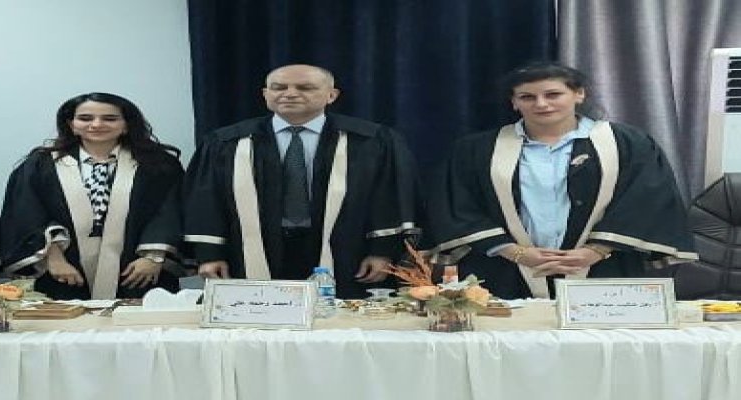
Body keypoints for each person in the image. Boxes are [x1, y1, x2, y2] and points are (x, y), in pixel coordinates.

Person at [427, 62, 698, 299]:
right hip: (504, 271)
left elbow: (646, 201)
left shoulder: (627, 144)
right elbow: (458, 205)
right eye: (527, 97)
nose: (541, 104)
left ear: (579, 94)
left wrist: (595, 251)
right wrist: (516, 253)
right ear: (514, 102)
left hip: (605, 268)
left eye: (553, 94)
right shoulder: (477, 150)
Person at [184, 64, 419, 299]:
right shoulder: (227, 142)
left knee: (339, 315)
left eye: (305, 87)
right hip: (252, 249)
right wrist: (209, 254)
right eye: (279, 87)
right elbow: (206, 200)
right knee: (259, 315)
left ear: (331, 95)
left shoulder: (370, 141)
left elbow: (387, 198)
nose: (290, 94)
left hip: (346, 249)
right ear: (265, 94)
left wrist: (382, 251)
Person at [0, 93, 185, 300]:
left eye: (110, 118)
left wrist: (154, 256)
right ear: (71, 124)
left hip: (138, 270)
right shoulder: (41, 165)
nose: (97, 125)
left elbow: (171, 211)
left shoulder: (158, 165)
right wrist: (53, 258)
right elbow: (25, 213)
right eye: (85, 118)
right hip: (65, 270)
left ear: (126, 125)